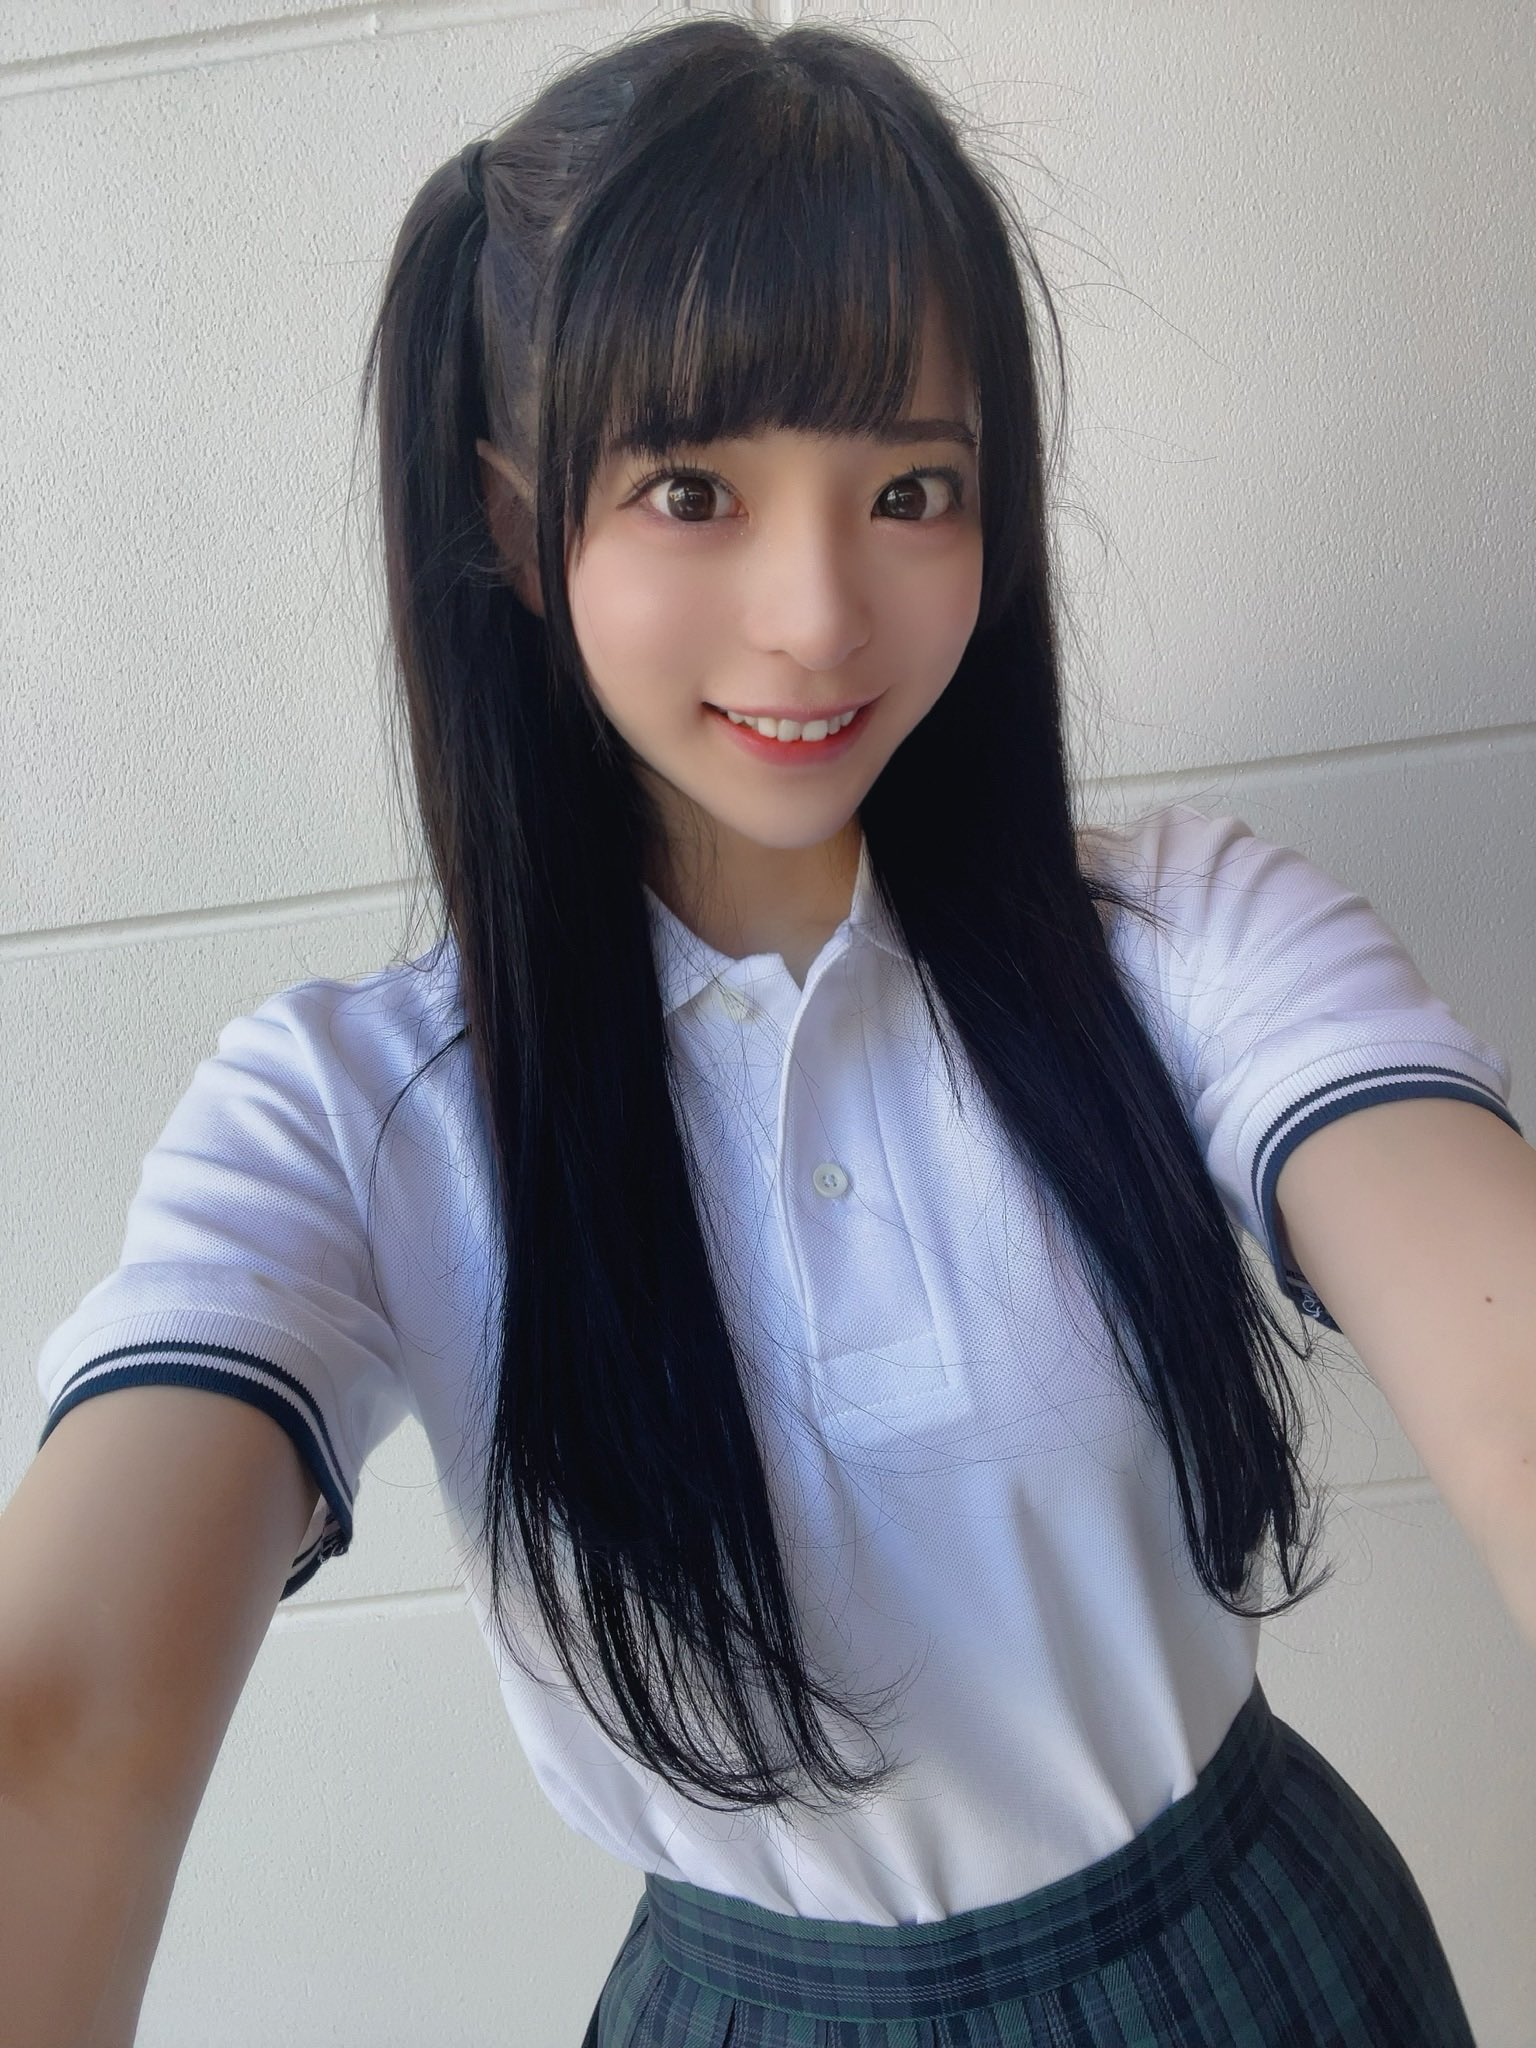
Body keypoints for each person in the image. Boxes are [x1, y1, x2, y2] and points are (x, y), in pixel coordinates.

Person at [9, 15, 1530, 2044]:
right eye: (692, 489)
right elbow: (63, 1725)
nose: (820, 614)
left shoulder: (1184, 940)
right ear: (515, 523)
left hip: (1261, 1958)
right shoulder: (354, 1118)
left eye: (911, 487)